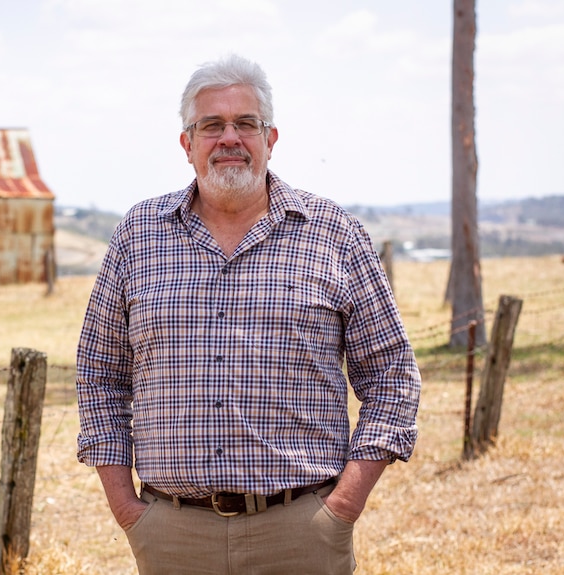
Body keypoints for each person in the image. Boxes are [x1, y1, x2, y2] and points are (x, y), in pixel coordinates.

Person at [76, 54, 421, 574]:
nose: (229, 138)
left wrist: (343, 506)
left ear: (271, 138)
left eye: (246, 124)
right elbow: (98, 375)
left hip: (300, 532)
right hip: (172, 534)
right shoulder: (137, 235)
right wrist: (127, 510)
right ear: (187, 144)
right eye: (212, 125)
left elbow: (393, 377)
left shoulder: (334, 235)